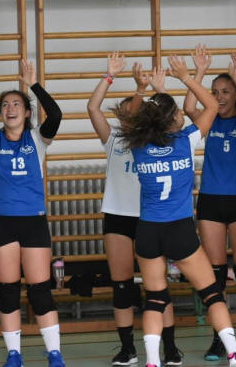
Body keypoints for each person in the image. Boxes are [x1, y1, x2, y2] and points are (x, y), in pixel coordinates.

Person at [116, 55, 236, 367]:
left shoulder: (138, 144)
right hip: (178, 230)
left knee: (155, 299)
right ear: (172, 121)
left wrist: (142, 89)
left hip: (148, 231)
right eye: (178, 112)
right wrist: (186, 77)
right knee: (212, 294)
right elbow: (212, 106)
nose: (183, 113)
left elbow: (130, 117)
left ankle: (152, 361)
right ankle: (235, 355)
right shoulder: (186, 140)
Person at [0, 59, 65, 367]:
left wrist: (33, 84)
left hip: (33, 221)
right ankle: (14, 354)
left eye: (17, 104)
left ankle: (54, 354)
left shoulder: (38, 139)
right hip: (1, 222)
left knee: (40, 291)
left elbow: (56, 114)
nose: (10, 108)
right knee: (7, 291)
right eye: (5, 105)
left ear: (27, 112)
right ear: (1, 113)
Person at [87, 54, 182, 366]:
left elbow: (173, 117)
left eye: (137, 110)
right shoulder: (113, 139)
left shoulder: (157, 141)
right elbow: (92, 108)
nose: (131, 113)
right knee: (122, 285)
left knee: (157, 286)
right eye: (127, 110)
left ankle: (170, 348)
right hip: (118, 216)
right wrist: (110, 75)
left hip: (149, 217)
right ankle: (127, 348)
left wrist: (151, 89)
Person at [182, 45, 236, 364]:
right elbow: (189, 106)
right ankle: (220, 339)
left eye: (225, 91)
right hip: (212, 201)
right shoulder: (209, 120)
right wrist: (199, 72)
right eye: (215, 92)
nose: (219, 97)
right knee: (215, 276)